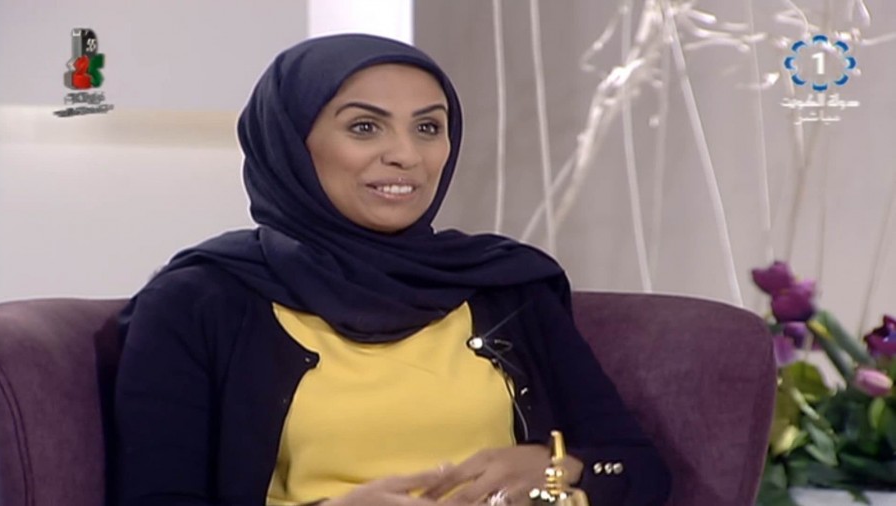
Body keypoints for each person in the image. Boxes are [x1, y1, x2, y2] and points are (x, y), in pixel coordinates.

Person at [113, 33, 671, 506]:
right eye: (365, 128)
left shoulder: (504, 285)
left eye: (428, 128)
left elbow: (639, 469)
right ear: (291, 142)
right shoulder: (199, 300)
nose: (407, 155)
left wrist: (559, 471)